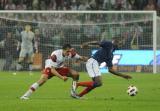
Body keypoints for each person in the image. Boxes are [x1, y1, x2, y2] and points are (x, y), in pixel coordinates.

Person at [20, 44, 88, 100]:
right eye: (67, 51)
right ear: (63, 50)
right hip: (50, 67)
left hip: (59, 68)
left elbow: (81, 58)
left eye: (69, 51)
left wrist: (90, 59)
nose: (69, 53)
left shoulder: (71, 54)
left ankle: (73, 93)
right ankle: (25, 95)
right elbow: (52, 69)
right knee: (43, 80)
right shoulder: (55, 55)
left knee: (75, 74)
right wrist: (62, 77)